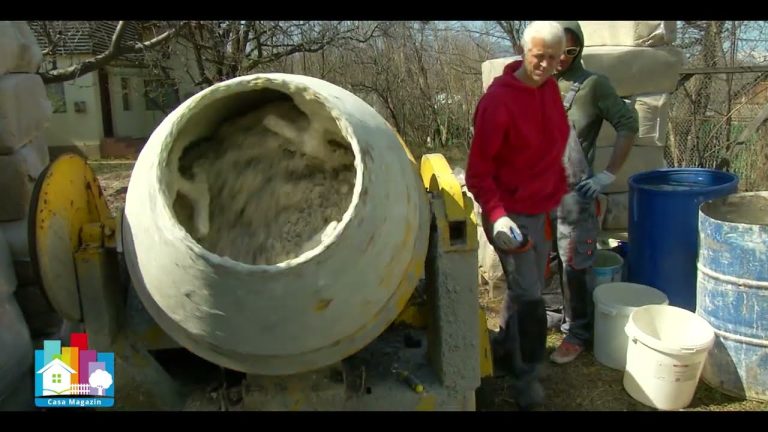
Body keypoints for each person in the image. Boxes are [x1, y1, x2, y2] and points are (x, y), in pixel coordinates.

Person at [465, 21, 569, 409]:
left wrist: (566, 193)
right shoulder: (498, 102)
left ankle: (507, 349)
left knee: (527, 287)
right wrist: (496, 214)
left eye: (553, 58)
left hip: (542, 209)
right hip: (510, 215)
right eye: (539, 56)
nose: (545, 64)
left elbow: (552, 149)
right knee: (530, 299)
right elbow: (477, 173)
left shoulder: (550, 90)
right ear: (525, 52)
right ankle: (528, 376)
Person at [548, 21, 639, 364]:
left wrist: (608, 174)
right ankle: (553, 315)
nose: (562, 57)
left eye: (570, 51)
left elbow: (628, 124)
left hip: (574, 194)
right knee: (547, 258)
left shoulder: (593, 85)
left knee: (575, 262)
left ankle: (578, 333)